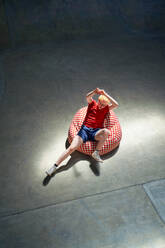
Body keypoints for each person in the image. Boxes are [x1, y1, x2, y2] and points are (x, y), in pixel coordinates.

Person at [46, 88, 119, 176]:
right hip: (84, 130)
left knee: (106, 131)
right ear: (98, 101)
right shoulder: (92, 104)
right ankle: (54, 166)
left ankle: (96, 152)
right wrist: (94, 92)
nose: (101, 106)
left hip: (95, 132)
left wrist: (105, 94)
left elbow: (116, 104)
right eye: (100, 103)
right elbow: (88, 96)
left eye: (104, 105)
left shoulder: (106, 109)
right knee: (71, 148)